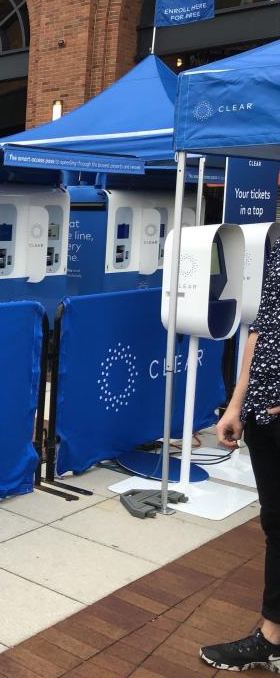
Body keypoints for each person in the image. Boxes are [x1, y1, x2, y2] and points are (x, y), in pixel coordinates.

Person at [201, 240, 280, 673]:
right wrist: (236, 403)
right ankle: (272, 638)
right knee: (277, 525)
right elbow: (261, 328)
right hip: (262, 411)